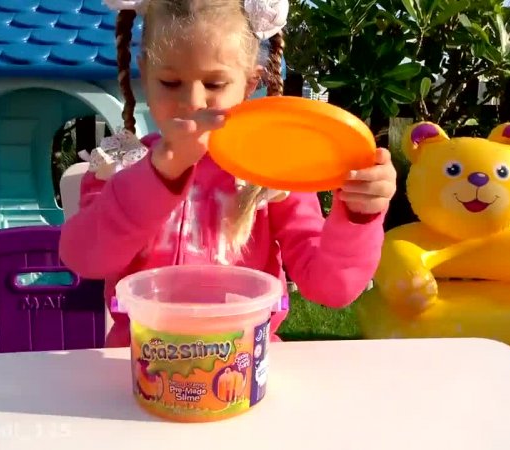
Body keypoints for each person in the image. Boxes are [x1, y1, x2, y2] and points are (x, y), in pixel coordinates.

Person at [59, 0, 398, 347]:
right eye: (170, 82)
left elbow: (330, 288)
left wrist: (358, 214)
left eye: (215, 83)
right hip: (144, 363)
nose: (193, 102)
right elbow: (84, 257)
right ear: (144, 74)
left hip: (246, 363)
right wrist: (160, 173)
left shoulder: (272, 173)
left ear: (250, 84)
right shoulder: (123, 165)